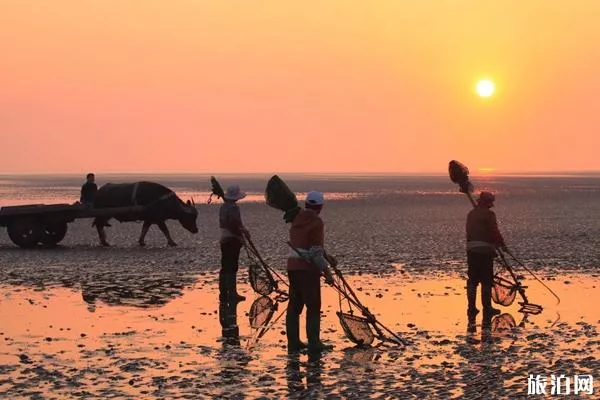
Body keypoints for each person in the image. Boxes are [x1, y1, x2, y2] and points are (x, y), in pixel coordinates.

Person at [286, 191, 335, 354]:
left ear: (307, 204)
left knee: (294, 306)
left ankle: (294, 342)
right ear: (320, 207)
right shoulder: (317, 222)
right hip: (307, 269)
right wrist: (327, 273)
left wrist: (327, 256)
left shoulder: (296, 218)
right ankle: (314, 342)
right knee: (313, 305)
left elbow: (308, 245)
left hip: (292, 267)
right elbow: (314, 253)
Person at [466, 191, 505, 319]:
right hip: (484, 250)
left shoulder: (471, 214)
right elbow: (494, 231)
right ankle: (487, 308)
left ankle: (471, 308)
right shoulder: (489, 215)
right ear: (488, 203)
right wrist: (501, 244)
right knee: (486, 281)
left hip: (471, 249)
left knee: (472, 280)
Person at [219, 185, 248, 302]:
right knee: (232, 266)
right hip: (232, 239)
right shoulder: (233, 208)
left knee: (225, 266)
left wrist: (244, 231)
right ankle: (232, 293)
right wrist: (240, 236)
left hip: (224, 238)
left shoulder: (223, 207)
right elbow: (234, 224)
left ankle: (223, 293)